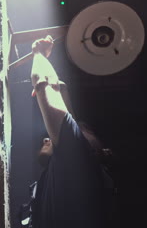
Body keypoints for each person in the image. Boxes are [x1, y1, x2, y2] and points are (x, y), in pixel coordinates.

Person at [20, 35, 115, 228]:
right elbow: (48, 90)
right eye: (80, 130)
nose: (47, 138)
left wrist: (39, 52)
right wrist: (53, 84)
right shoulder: (81, 164)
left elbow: (43, 85)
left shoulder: (80, 167)